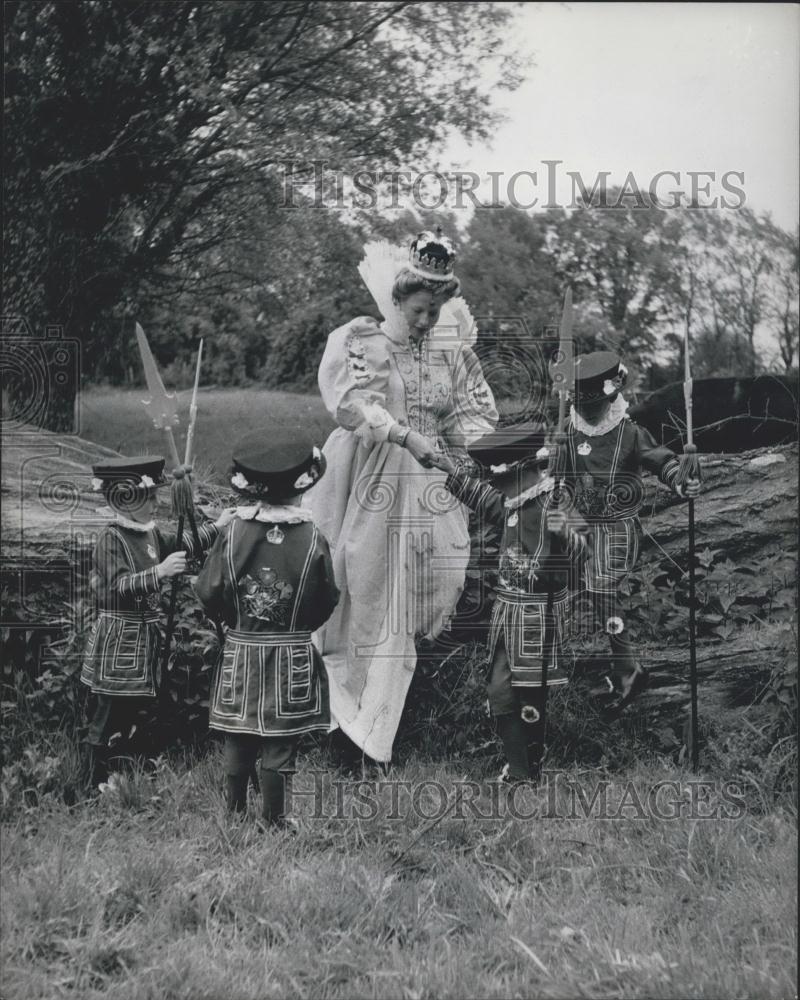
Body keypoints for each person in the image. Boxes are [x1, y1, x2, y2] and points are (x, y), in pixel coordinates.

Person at [303, 229, 498, 765]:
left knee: (407, 601)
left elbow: (470, 419)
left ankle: (378, 728)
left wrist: (475, 455)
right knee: (363, 589)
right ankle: (347, 724)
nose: (425, 322)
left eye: (434, 312)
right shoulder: (363, 340)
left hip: (430, 486)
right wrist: (405, 435)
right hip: (371, 479)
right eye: (417, 310)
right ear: (397, 299)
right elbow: (351, 406)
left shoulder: (447, 350)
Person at [427, 422, 589, 782]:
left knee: (531, 698)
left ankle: (528, 766)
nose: (492, 484)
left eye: (495, 477)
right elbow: (484, 499)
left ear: (518, 471)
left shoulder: (554, 504)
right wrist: (448, 467)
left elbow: (584, 552)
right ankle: (519, 768)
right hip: (506, 615)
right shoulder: (513, 503)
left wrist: (566, 537)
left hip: (538, 615)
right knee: (501, 691)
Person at [194, 429, 338, 826]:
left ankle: (234, 811)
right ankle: (273, 821)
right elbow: (327, 597)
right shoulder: (313, 538)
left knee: (239, 733)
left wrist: (234, 621)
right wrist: (298, 628)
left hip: (242, 650)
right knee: (280, 740)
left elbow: (208, 589)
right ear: (300, 488)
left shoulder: (234, 533)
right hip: (290, 654)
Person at [558, 351, 701, 714]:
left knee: (602, 587)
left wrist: (681, 482)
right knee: (554, 581)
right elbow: (556, 478)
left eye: (596, 405)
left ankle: (627, 667)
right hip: (577, 524)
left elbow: (662, 460)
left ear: (611, 396)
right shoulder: (568, 431)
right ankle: (552, 667)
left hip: (617, 526)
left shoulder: (630, 432)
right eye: (583, 405)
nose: (589, 413)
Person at [81, 455, 234, 788]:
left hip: (144, 637)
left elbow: (181, 544)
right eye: (146, 497)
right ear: (122, 499)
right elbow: (118, 586)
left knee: (134, 710)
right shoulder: (112, 538)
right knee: (107, 711)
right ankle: (90, 784)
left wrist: (217, 528)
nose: (155, 503)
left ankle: (120, 774)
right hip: (118, 638)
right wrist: (159, 572)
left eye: (153, 496)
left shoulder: (148, 533)